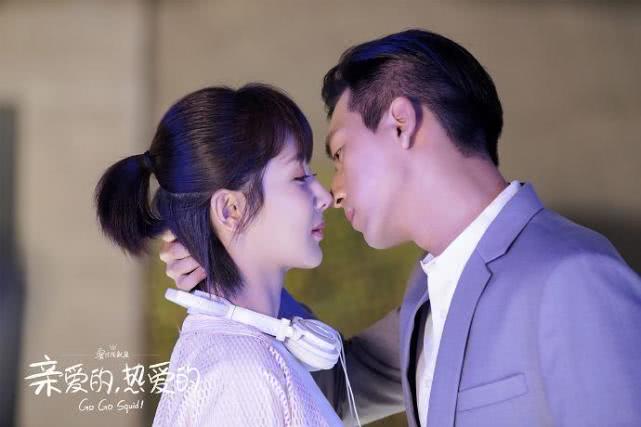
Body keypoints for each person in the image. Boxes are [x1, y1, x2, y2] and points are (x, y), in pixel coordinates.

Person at [160, 29, 641, 426]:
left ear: (400, 123)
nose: (334, 191)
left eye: (340, 153)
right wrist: (232, 276)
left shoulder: (573, 278)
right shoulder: (424, 297)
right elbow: (324, 391)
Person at [94, 84, 349, 426]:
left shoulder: (244, 355)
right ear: (231, 209)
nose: (324, 196)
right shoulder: (239, 375)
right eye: (299, 177)